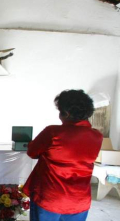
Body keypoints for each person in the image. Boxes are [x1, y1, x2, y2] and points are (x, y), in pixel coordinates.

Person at [23, 90, 103, 221]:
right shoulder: (97, 136)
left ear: (66, 113)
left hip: (50, 198)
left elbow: (32, 152)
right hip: (79, 200)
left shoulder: (53, 132)